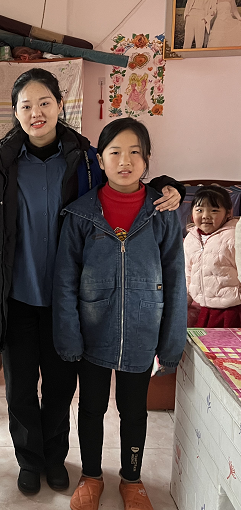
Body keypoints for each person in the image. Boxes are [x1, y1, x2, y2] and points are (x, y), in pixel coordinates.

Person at [0, 68, 185, 495]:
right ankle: (29, 460)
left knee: (60, 388)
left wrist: (169, 185)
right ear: (15, 111)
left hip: (69, 302)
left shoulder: (86, 160)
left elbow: (127, 180)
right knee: (19, 391)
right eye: (26, 105)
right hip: (16, 297)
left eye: (44, 103)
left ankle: (54, 458)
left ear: (59, 105)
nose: (36, 112)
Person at [52, 117, 187, 510]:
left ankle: (132, 478)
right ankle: (91, 475)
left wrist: (171, 344)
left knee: (134, 411)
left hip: (143, 333)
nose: (125, 161)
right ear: (101, 159)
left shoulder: (162, 213)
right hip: (93, 334)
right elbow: (65, 282)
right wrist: (69, 337)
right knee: (91, 408)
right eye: (115, 152)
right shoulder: (81, 214)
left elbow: (175, 281)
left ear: (147, 159)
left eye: (134, 153)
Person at [184, 185, 241, 327]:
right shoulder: (190, 239)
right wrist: (183, 305)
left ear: (228, 212)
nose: (205, 216)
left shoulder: (234, 236)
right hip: (205, 309)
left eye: (214, 210)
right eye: (199, 210)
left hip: (233, 310)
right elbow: (187, 275)